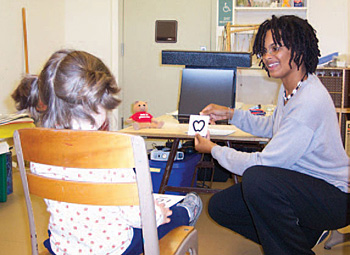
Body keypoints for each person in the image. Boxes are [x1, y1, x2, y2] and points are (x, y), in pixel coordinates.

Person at [12, 49, 202, 255]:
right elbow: (138, 217)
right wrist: (157, 212)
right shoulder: (112, 157)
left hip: (64, 246)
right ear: (97, 106)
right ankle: (185, 211)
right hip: (114, 248)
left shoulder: (38, 150)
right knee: (166, 217)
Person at [194, 15, 350, 255]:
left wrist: (213, 149)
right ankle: (301, 236)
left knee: (258, 180)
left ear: (297, 49)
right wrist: (230, 113)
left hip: (333, 196)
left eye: (275, 48)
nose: (267, 57)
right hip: (304, 184)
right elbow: (273, 127)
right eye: (264, 50)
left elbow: (264, 163)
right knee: (221, 207)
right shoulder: (293, 88)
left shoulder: (309, 101)